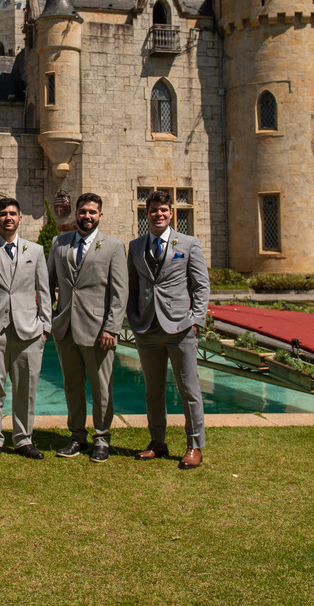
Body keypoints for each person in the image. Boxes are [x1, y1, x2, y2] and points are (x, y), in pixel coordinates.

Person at [126, 189, 209, 469]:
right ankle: (157, 442)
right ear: (146, 213)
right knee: (153, 390)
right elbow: (133, 287)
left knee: (189, 389)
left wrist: (196, 320)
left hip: (180, 327)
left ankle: (194, 444)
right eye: (153, 210)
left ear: (171, 213)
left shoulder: (188, 243)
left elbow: (201, 285)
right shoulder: (136, 246)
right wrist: (134, 318)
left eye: (163, 210)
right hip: (147, 328)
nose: (158, 214)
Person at [47, 193, 128, 463]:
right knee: (72, 386)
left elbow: (120, 292)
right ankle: (77, 437)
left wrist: (112, 328)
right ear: (76, 214)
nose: (87, 216)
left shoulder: (113, 247)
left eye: (93, 212)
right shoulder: (59, 243)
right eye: (83, 211)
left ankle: (102, 438)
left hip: (99, 331)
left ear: (100, 216)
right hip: (66, 328)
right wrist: (50, 317)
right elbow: (47, 283)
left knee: (101, 387)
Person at [0, 197, 51, 461]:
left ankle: (23, 439)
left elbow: (44, 291)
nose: (8, 218)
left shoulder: (35, 251)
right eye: (3, 214)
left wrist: (45, 326)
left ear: (20, 218)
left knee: (26, 388)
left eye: (13, 213)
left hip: (28, 330)